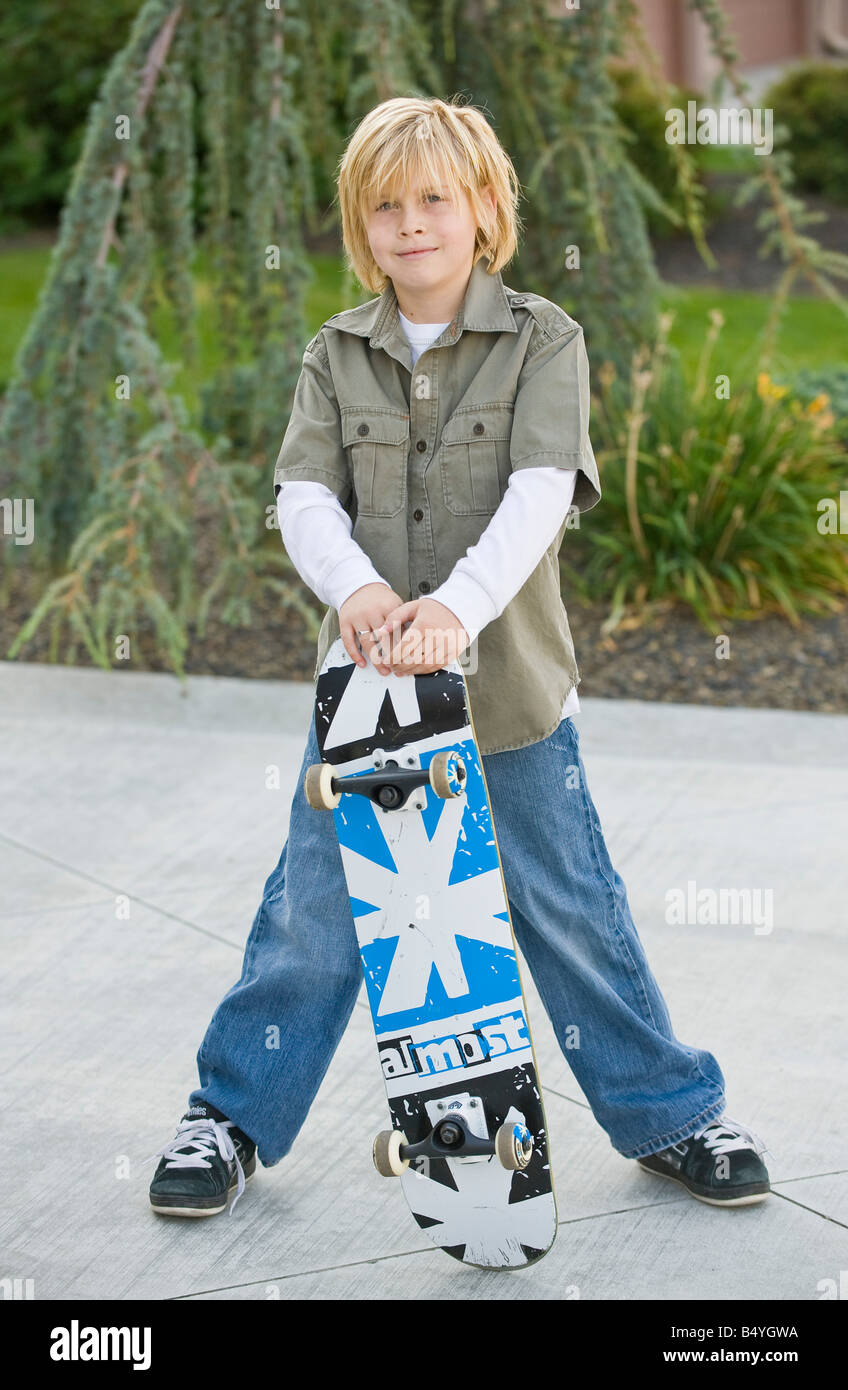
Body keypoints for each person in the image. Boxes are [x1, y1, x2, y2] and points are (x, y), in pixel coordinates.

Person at [149, 96, 770, 1220]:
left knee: (568, 905)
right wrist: (367, 594)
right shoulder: (334, 354)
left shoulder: (545, 341)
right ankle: (230, 1118)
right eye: (384, 205)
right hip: (367, 702)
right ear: (359, 224)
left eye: (434, 198)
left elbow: (538, 494)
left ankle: (672, 1112)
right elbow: (300, 494)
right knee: (315, 916)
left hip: (512, 695)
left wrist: (457, 608)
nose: (410, 223)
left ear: (485, 209)